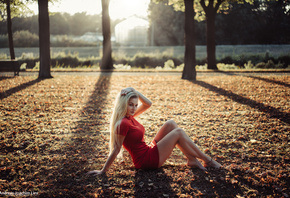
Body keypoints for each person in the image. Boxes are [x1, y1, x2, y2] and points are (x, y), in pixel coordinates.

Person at [87, 87, 221, 176]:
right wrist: (103, 171)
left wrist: (135, 92)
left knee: (171, 124)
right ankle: (206, 159)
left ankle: (192, 159)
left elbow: (148, 104)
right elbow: (116, 148)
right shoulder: (123, 123)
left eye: (135, 104)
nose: (134, 108)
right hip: (146, 161)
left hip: (148, 150)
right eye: (130, 105)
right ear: (123, 105)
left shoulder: (129, 116)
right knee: (178, 132)